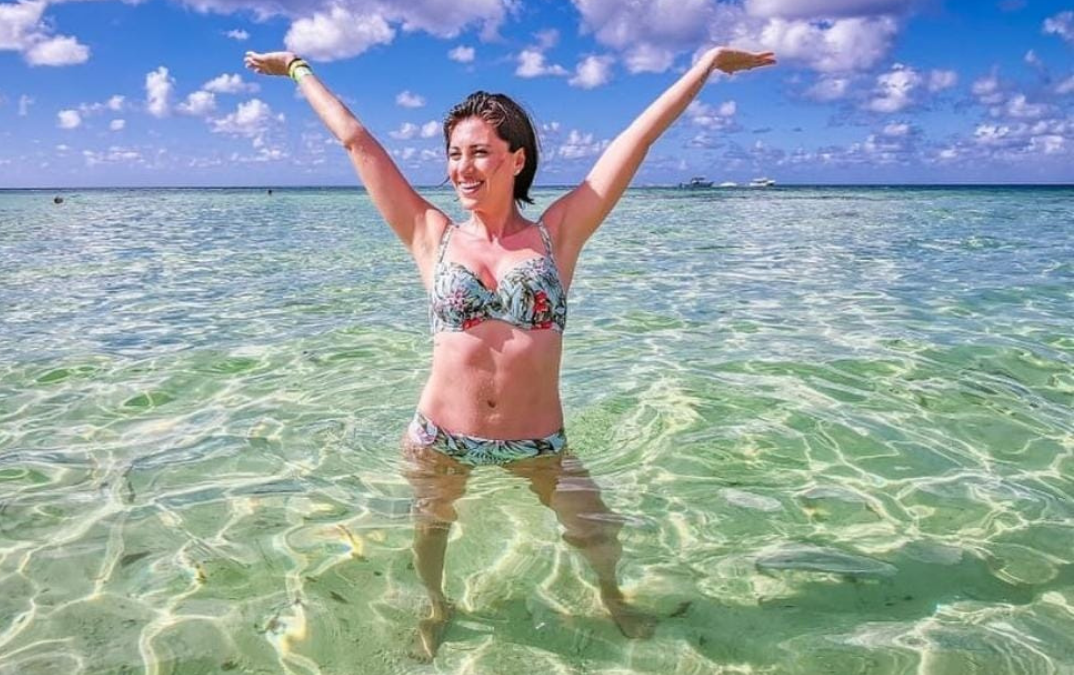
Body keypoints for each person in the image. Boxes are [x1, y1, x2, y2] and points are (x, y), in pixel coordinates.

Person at [245, 45, 775, 661]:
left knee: (596, 530)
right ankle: (437, 606)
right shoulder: (431, 235)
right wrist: (298, 69)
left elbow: (637, 140)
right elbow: (357, 143)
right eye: (454, 154)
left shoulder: (558, 235)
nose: (462, 168)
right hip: (441, 436)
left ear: (516, 159)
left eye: (479, 152)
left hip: (538, 441)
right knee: (431, 531)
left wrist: (706, 64)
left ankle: (613, 597)